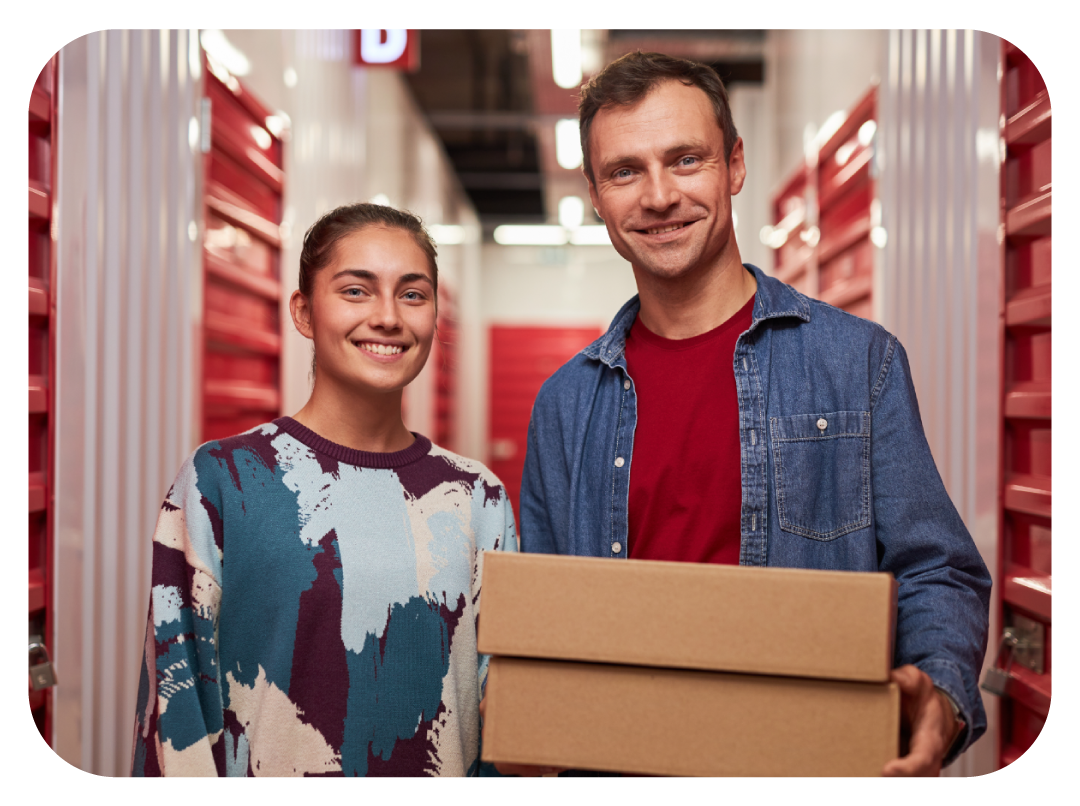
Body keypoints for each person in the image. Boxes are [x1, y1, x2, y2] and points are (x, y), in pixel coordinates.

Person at [517, 52, 991, 778]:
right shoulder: (565, 404)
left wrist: (941, 691)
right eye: (624, 171)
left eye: (685, 160)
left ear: (734, 166)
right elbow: (542, 620)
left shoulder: (857, 364)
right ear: (594, 193)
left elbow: (938, 569)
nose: (658, 195)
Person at [132, 203, 518, 778]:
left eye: (412, 295)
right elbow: (176, 710)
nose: (388, 317)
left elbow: (503, 715)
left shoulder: (476, 498)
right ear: (304, 312)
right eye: (356, 291)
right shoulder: (221, 481)